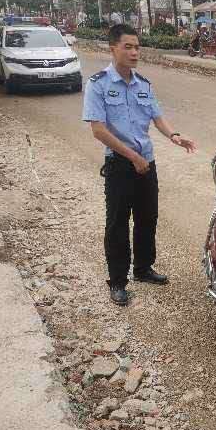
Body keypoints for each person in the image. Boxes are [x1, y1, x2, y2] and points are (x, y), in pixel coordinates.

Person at [82, 24, 196, 306]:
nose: (134, 52)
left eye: (137, 47)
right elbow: (98, 129)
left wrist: (174, 135)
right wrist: (133, 157)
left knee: (148, 218)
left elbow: (157, 117)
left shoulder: (143, 84)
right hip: (120, 164)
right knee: (118, 223)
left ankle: (143, 269)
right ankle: (118, 281)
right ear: (113, 49)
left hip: (147, 163)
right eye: (128, 47)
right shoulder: (98, 84)